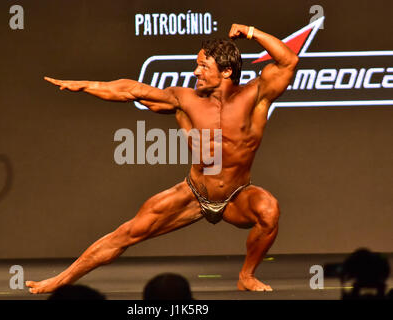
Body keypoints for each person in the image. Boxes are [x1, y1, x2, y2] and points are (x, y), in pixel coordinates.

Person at [25, 23, 298, 293]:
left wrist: (251, 31)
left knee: (269, 210)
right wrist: (88, 85)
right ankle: (60, 281)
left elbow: (288, 61)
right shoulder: (184, 99)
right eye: (197, 64)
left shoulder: (256, 96)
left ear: (226, 71)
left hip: (237, 197)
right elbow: (133, 90)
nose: (196, 71)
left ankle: (246, 276)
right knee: (127, 233)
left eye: (203, 66)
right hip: (195, 192)